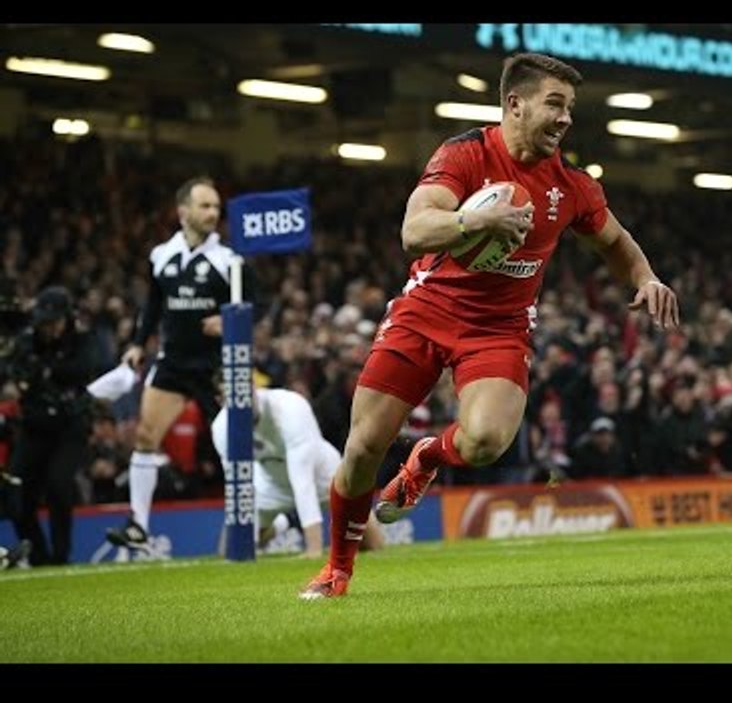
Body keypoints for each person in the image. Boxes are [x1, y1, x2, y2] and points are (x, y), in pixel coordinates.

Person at [300, 52, 680, 599]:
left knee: (485, 441)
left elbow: (615, 242)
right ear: (514, 104)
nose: (566, 118)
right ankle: (337, 570)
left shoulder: (571, 184)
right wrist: (473, 220)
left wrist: (645, 278)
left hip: (499, 327)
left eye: (570, 107)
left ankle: (427, 457)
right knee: (362, 448)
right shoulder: (464, 154)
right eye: (555, 104)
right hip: (426, 311)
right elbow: (413, 230)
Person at [106, 176, 255, 550]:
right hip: (172, 363)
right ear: (183, 211)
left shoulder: (230, 261)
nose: (213, 213)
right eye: (205, 205)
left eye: (216, 207)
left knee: (234, 445)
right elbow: (153, 305)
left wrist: (229, 320)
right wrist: (138, 344)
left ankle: (256, 519)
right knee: (145, 437)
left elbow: (258, 306)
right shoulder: (161, 255)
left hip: (215, 367)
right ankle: (138, 525)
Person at [210, 386, 384, 558]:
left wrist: (314, 549)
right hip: (271, 485)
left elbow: (303, 483)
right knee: (230, 550)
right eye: (234, 398)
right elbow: (237, 487)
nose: (244, 403)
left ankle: (294, 519)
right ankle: (285, 522)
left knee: (373, 546)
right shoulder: (221, 429)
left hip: (322, 478)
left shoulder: (289, 407)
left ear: (254, 388)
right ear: (220, 401)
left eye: (247, 395)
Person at [8, 286, 100, 565]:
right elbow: (15, 370)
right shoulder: (27, 340)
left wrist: (47, 370)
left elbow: (85, 368)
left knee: (58, 484)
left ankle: (61, 556)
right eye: (45, 322)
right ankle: (39, 555)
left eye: (54, 322)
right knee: (16, 490)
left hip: (69, 427)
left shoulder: (81, 339)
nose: (49, 328)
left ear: (66, 318)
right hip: (34, 426)